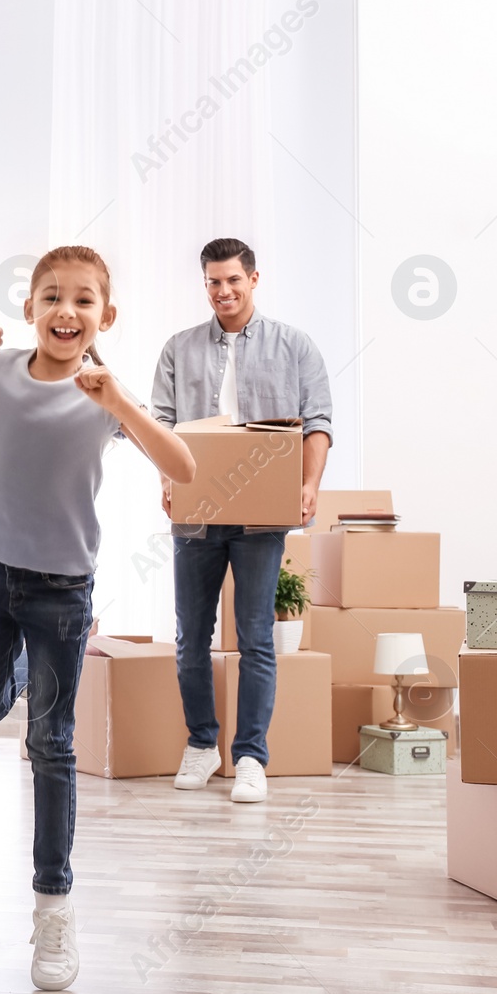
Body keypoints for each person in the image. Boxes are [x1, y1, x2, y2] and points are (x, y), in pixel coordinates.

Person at [0, 246, 195, 992]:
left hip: (63, 589)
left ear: (104, 317)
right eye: (51, 296)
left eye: (84, 300)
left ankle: (53, 902)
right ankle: (33, 667)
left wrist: (118, 402)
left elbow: (182, 468)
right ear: (29, 309)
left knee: (51, 742)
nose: (66, 310)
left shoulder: (102, 389)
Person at [152, 237, 333, 804]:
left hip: (261, 516)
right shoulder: (178, 348)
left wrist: (308, 484)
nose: (222, 291)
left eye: (232, 280)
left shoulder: (294, 346)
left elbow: (318, 421)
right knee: (190, 639)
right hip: (198, 513)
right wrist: (165, 481)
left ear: (254, 279)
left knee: (256, 636)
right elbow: (158, 421)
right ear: (203, 284)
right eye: (212, 282)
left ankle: (251, 755)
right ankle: (202, 744)